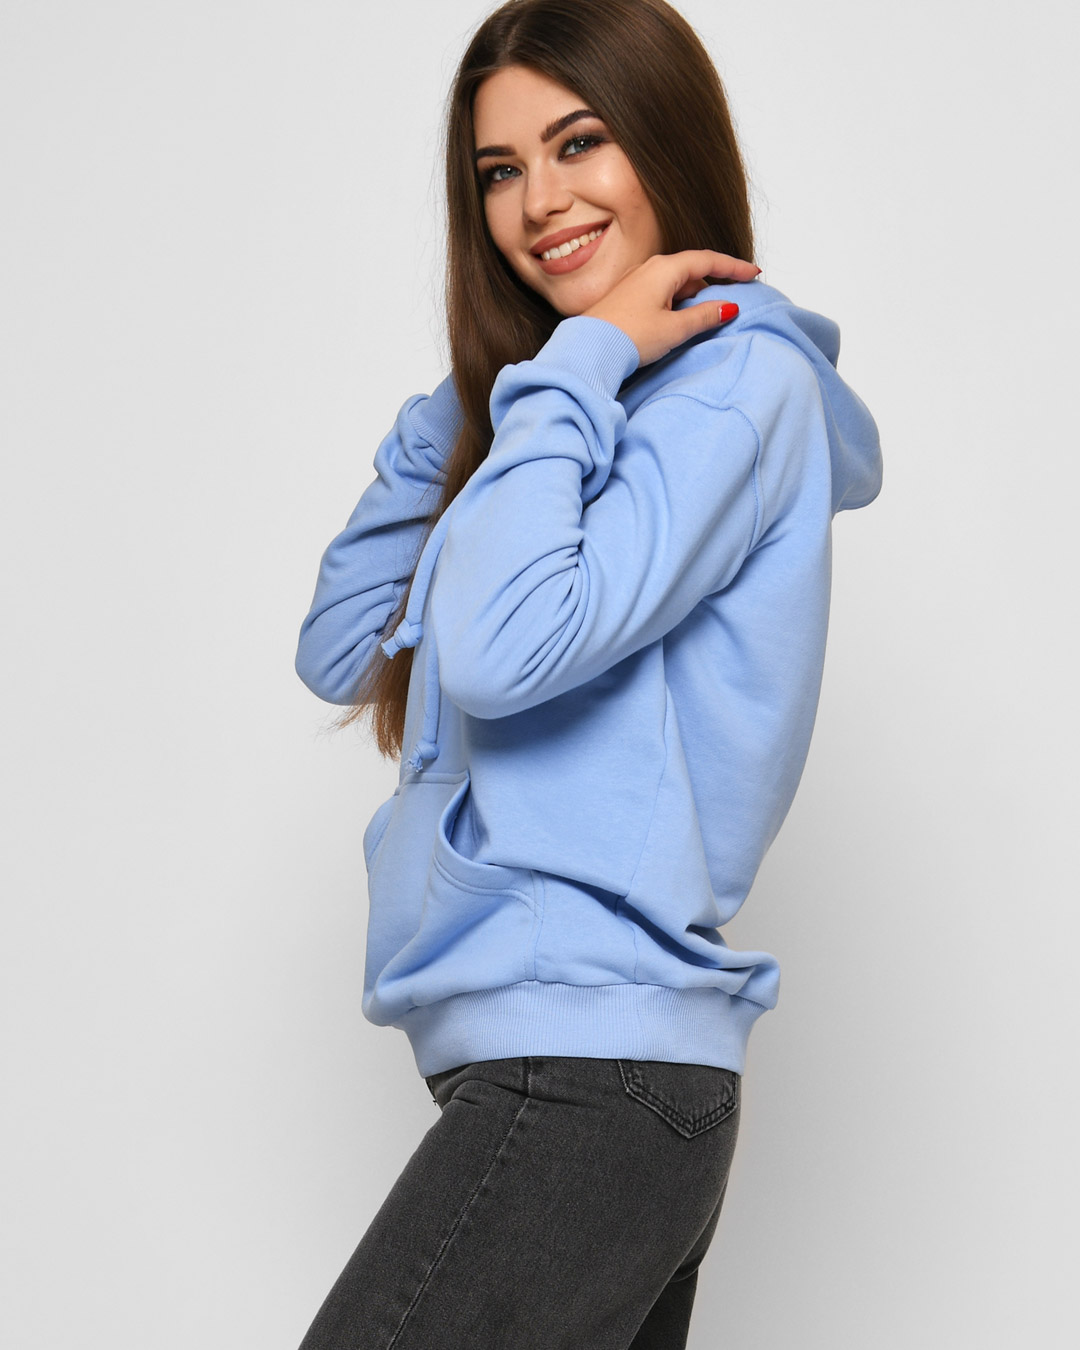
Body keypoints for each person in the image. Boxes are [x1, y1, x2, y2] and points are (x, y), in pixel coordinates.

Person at [292, 0, 882, 1345]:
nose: (539, 201)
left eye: (579, 143)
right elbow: (339, 643)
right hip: (565, 1067)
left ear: (664, 141)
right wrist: (484, 395)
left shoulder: (731, 389)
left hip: (592, 1065)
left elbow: (504, 654)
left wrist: (578, 366)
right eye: (500, 170)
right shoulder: (557, 414)